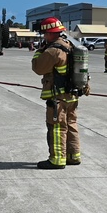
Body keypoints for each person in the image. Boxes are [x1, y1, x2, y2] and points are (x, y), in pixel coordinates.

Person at [31, 17, 80, 169]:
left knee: (57, 127)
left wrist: (39, 51)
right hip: (71, 95)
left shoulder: (53, 50)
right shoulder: (70, 46)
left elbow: (38, 68)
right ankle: (73, 156)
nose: (44, 36)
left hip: (58, 97)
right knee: (71, 124)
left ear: (51, 33)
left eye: (45, 33)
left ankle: (57, 159)